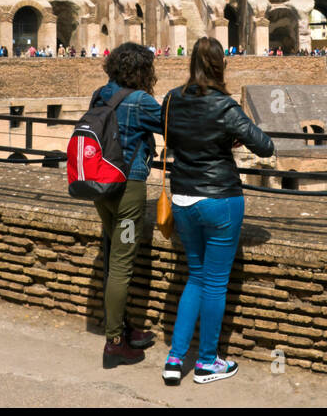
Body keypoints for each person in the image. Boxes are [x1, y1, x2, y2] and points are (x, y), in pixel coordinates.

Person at [160, 37, 274, 386]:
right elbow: (265, 147)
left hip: (182, 198)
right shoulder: (224, 105)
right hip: (219, 199)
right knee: (214, 283)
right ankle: (208, 362)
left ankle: (175, 359)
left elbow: (173, 137)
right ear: (219, 64)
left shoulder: (171, 99)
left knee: (195, 276)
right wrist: (228, 137)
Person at [90, 42, 164, 368]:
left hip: (99, 187)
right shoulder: (142, 101)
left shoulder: (99, 95)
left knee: (113, 258)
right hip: (128, 190)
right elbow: (172, 127)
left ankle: (121, 326)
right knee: (122, 263)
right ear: (142, 70)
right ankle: (114, 343)